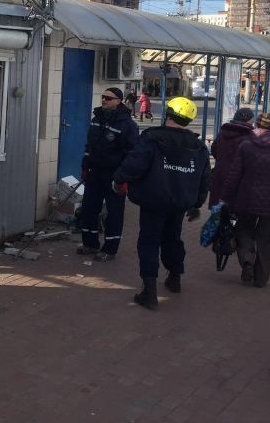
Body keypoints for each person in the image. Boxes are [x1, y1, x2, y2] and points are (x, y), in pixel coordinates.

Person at [113, 97, 211, 310]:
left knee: (149, 241)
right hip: (179, 202)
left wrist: (119, 179)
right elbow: (204, 179)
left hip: (153, 200)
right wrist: (196, 204)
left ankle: (149, 291)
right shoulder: (198, 146)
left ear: (168, 114)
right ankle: (175, 277)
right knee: (172, 238)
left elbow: (134, 164)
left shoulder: (152, 138)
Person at [77, 87, 139, 261]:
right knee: (89, 208)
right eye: (103, 97)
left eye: (109, 98)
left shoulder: (127, 125)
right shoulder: (97, 119)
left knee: (114, 212)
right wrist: (85, 166)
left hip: (114, 175)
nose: (104, 100)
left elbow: (132, 153)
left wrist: (124, 178)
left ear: (119, 101)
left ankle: (110, 249)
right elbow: (89, 146)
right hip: (95, 172)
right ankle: (90, 243)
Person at [221, 112, 270, 288]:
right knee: (266, 239)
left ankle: (247, 262)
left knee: (243, 231)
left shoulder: (246, 144)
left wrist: (225, 197)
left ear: (257, 124)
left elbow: (235, 174)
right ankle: (261, 277)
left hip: (246, 198)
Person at [209, 107, 254, 209]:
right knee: (233, 210)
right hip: (237, 179)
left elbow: (214, 149)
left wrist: (222, 159)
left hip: (219, 174)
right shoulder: (248, 136)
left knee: (217, 209)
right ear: (248, 120)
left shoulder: (223, 132)